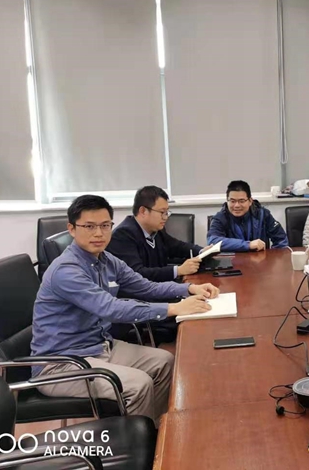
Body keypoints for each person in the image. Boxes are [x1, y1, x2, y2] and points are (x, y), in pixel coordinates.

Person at [31, 195, 220, 424]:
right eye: (89, 226)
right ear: (72, 229)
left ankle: (155, 430)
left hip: (99, 347)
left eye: (105, 225)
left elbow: (146, 286)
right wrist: (174, 308)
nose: (99, 233)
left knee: (165, 362)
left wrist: (189, 288)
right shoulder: (66, 270)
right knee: (138, 384)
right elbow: (110, 308)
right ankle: (140, 441)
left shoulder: (107, 260)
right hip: (61, 364)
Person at [108, 185, 207, 281]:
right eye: (162, 212)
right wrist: (178, 270)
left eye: (167, 212)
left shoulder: (156, 229)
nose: (166, 217)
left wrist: (202, 251)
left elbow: (176, 246)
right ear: (143, 211)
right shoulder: (122, 235)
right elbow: (137, 274)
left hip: (160, 286)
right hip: (141, 291)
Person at [208, 180, 288, 252]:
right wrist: (248, 245)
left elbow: (281, 240)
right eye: (232, 201)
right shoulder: (220, 218)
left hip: (260, 261)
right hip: (232, 261)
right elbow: (213, 241)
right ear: (227, 201)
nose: (236, 205)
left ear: (250, 201)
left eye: (241, 201)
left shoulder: (262, 214)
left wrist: (273, 258)